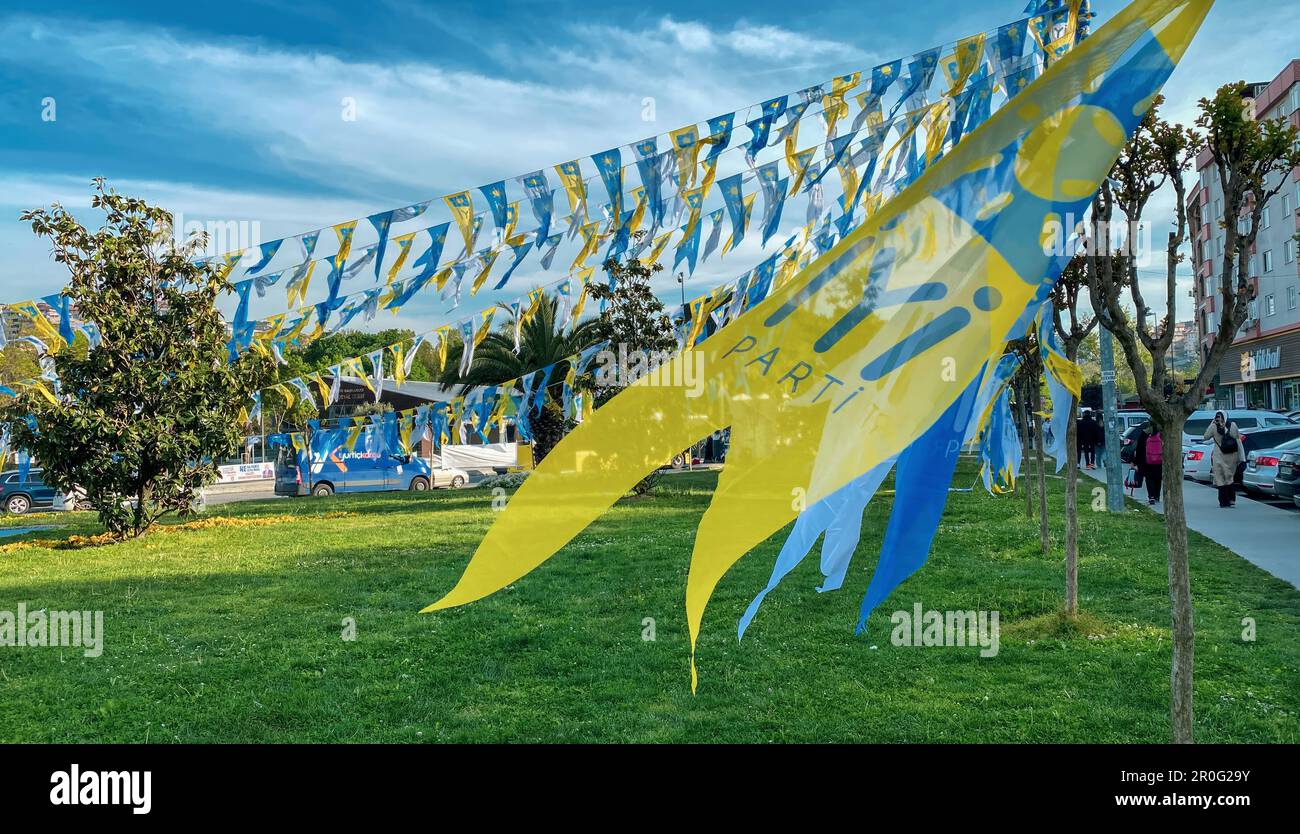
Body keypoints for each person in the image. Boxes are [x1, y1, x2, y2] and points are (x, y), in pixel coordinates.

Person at [1204, 411, 1241, 508]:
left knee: (1222, 478)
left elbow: (1205, 436)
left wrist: (1213, 424)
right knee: (1228, 478)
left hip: (1223, 456)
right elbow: (1237, 437)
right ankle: (1229, 500)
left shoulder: (1228, 426)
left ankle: (1224, 501)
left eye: (1219, 417)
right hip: (1230, 455)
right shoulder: (1232, 425)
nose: (1218, 419)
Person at [1139, 423, 1163, 505]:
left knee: (1149, 479)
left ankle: (1151, 496)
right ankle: (1157, 496)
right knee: (1158, 479)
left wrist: (1135, 461)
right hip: (1159, 461)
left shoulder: (1144, 436)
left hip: (1147, 461)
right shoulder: (1161, 436)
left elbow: (1139, 448)